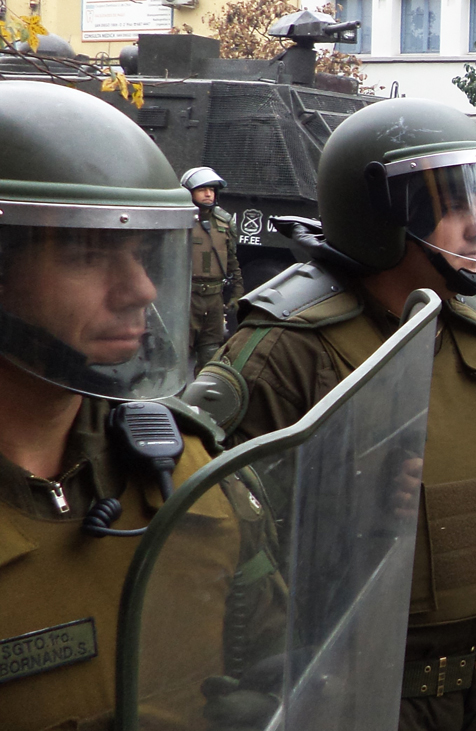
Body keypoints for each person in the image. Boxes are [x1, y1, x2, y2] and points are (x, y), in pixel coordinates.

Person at [185, 97, 476, 730]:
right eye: (453, 207)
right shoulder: (285, 351)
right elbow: (214, 549)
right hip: (365, 692)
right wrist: (346, 510)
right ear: (379, 215)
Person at [0, 81, 279, 730]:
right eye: (88, 250)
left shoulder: (192, 474)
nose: (141, 288)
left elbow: (283, 652)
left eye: (142, 251)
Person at [181, 166, 243, 373]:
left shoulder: (224, 222)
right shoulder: (180, 221)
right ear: (189, 193)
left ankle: (201, 403)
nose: (209, 194)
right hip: (185, 298)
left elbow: (232, 261)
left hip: (214, 300)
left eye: (212, 190)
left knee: (210, 355)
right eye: (202, 189)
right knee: (178, 355)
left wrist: (236, 294)